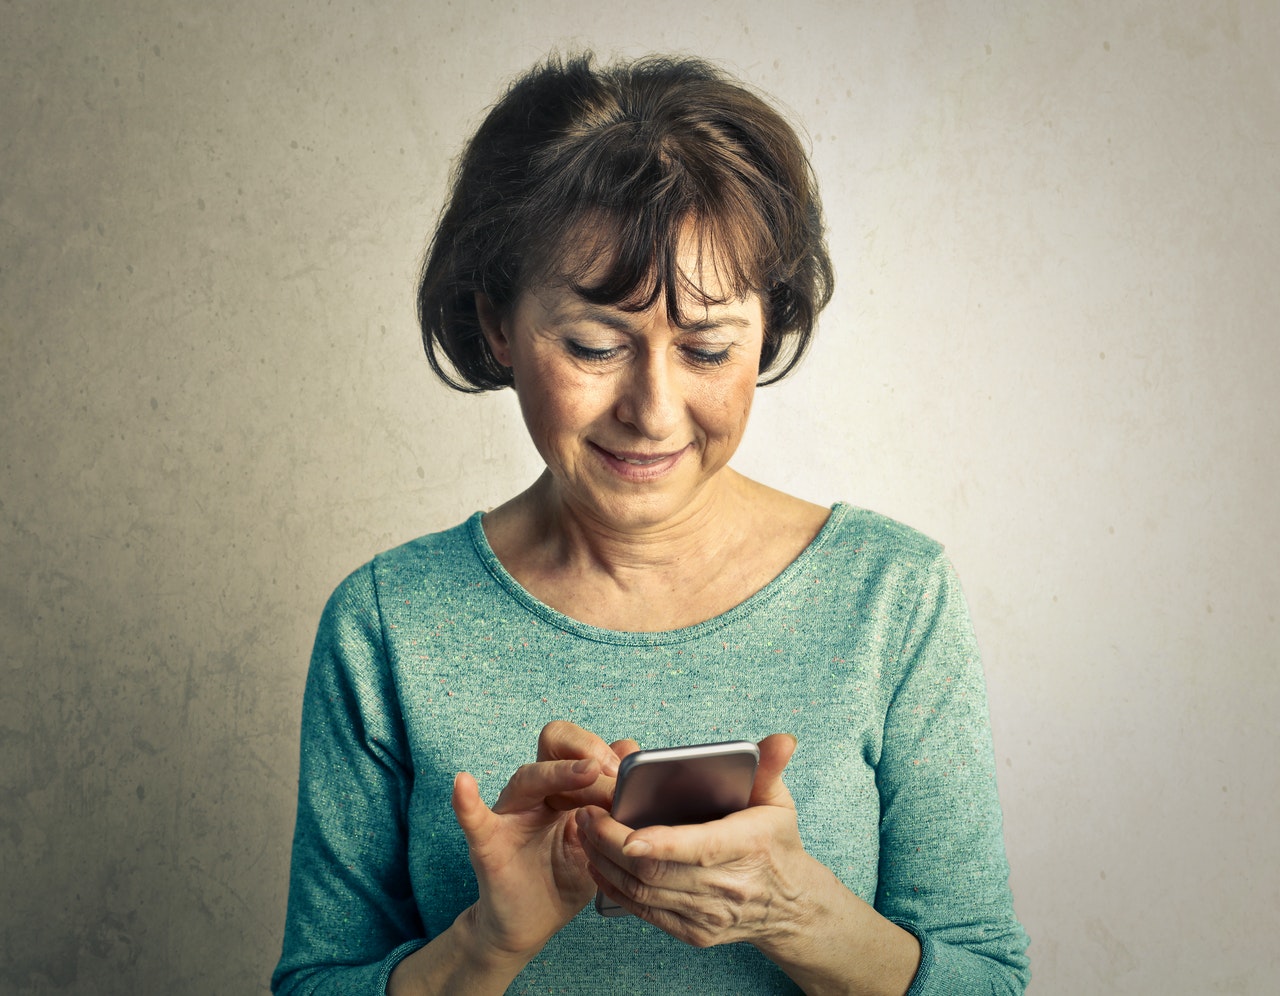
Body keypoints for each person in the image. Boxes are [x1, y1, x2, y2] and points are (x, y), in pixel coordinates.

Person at [271, 53, 1030, 995]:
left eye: (708, 348)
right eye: (595, 345)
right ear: (499, 327)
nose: (655, 410)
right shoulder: (388, 622)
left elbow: (990, 980)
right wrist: (484, 943)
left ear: (768, 332)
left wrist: (798, 913)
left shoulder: (894, 596)